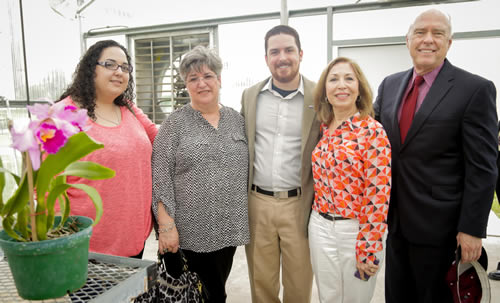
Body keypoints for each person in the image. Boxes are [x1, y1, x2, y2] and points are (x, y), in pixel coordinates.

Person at [373, 9, 498, 302]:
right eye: (420, 32)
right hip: (395, 225)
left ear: (449, 43)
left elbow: (483, 168)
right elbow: (372, 137)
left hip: (442, 231)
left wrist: (472, 229)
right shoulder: (390, 85)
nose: (428, 39)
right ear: (408, 40)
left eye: (437, 33)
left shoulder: (475, 89)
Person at [152, 45, 249, 303]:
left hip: (228, 231)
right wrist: (166, 227)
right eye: (193, 79)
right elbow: (161, 178)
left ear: (219, 79)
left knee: (216, 290)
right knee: (193, 295)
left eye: (207, 76)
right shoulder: (174, 124)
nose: (201, 83)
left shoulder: (237, 120)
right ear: (186, 85)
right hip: (188, 234)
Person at [240, 24, 321, 303]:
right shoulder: (251, 96)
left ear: (300, 54)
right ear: (266, 58)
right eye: (274, 52)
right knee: (261, 283)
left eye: (288, 50)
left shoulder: (319, 96)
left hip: (299, 204)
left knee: (299, 283)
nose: (282, 57)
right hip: (257, 202)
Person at [58, 40, 158, 258]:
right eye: (110, 64)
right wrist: (61, 238)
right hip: (85, 245)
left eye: (124, 67)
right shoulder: (63, 114)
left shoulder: (129, 108)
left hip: (133, 240)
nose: (119, 72)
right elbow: (44, 185)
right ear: (90, 68)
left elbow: (163, 141)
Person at [309, 57, 391, 302]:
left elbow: (378, 195)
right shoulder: (324, 128)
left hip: (356, 231)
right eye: (333, 79)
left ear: (359, 88)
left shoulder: (372, 131)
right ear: (325, 91)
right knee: (328, 297)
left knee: (357, 298)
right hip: (320, 227)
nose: (341, 85)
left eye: (348, 79)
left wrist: (369, 246)